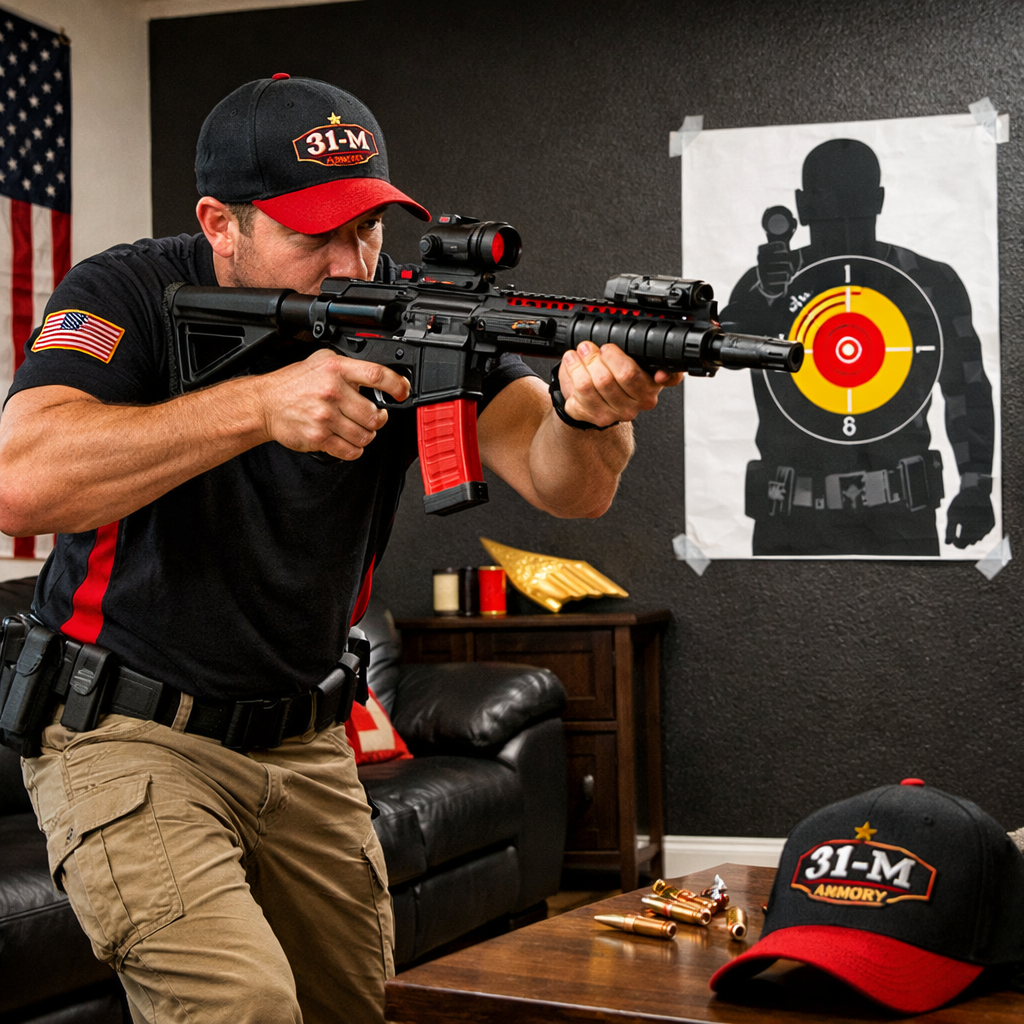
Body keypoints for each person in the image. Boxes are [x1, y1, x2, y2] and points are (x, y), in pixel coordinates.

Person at [0, 76, 680, 1024]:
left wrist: (588, 412)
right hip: (127, 730)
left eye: (366, 228)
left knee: (349, 1007)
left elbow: (563, 478)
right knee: (240, 1006)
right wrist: (259, 407)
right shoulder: (130, 293)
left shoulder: (414, 314)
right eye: (313, 232)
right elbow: (21, 480)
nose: (351, 260)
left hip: (304, 740)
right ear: (220, 223)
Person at [720, 138, 995, 557]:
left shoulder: (930, 282)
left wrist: (976, 487)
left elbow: (966, 387)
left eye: (852, 199)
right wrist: (764, 298)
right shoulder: (766, 285)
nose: (842, 215)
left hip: (900, 518)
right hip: (793, 523)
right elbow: (722, 347)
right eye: (831, 198)